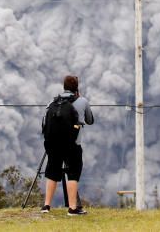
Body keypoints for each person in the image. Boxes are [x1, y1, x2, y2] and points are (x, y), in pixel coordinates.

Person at [41, 74, 93, 216]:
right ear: (77, 88)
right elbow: (90, 120)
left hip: (53, 145)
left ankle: (46, 206)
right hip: (73, 145)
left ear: (63, 87)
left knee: (52, 173)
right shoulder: (82, 101)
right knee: (73, 174)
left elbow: (45, 122)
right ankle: (72, 208)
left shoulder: (53, 102)